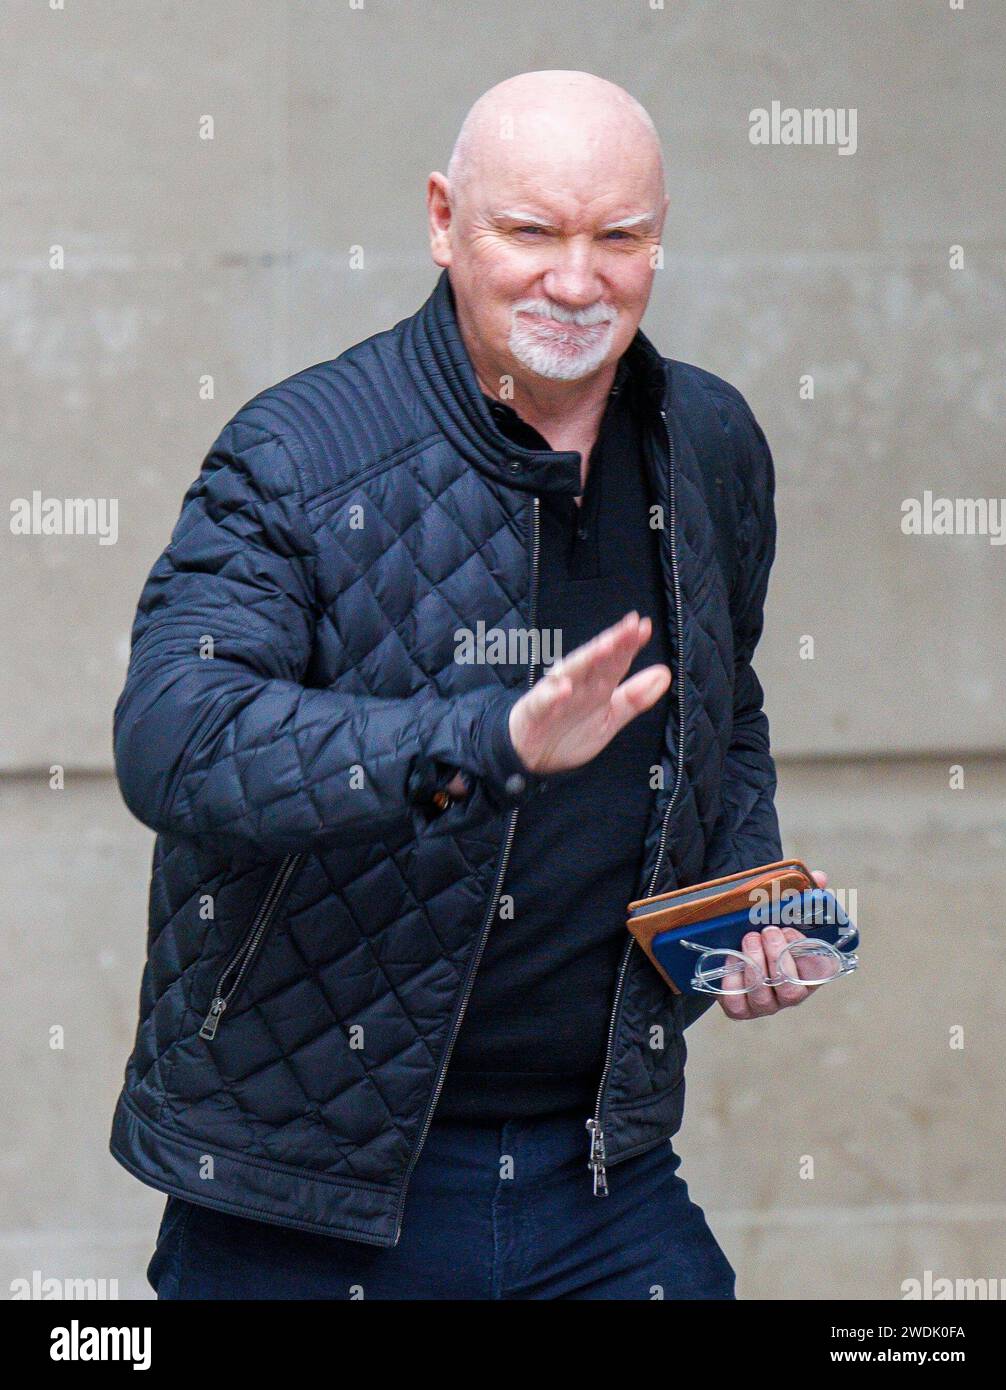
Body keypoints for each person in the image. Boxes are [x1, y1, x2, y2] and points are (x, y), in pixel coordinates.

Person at [112, 69, 821, 1300]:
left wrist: (746, 900)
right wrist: (480, 742)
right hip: (306, 1196)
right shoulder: (297, 451)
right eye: (530, 231)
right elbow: (176, 740)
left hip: (601, 1175)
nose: (576, 278)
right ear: (443, 220)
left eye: (620, 236)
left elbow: (727, 708)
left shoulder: (708, 440)